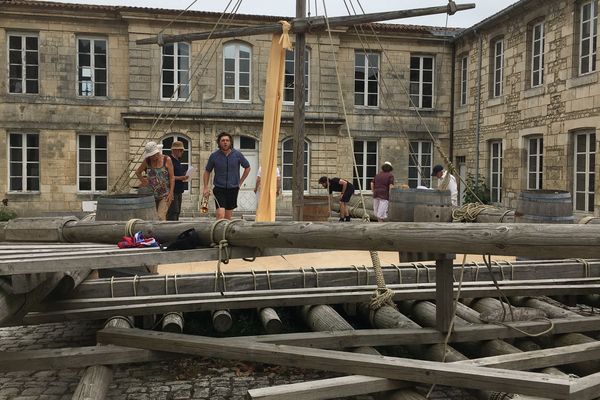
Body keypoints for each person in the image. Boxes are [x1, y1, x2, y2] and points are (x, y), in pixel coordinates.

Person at [203, 132, 251, 220]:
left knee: (228, 217)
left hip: (233, 189)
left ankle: (225, 233)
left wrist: (240, 183)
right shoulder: (214, 156)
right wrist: (205, 187)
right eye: (223, 140)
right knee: (220, 214)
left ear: (230, 142)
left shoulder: (237, 155)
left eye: (227, 140)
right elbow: (207, 171)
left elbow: (247, 167)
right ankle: (217, 233)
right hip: (219, 188)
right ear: (219, 142)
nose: (225, 142)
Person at [135, 141, 174, 221]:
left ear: (157, 153)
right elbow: (138, 172)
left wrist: (171, 193)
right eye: (150, 155)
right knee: (153, 218)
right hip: (151, 195)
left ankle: (163, 233)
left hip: (165, 195)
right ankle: (157, 233)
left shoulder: (167, 160)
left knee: (160, 216)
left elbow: (172, 177)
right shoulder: (147, 161)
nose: (151, 157)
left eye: (152, 155)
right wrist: (143, 181)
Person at [166, 141, 189, 221]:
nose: (182, 152)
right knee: (173, 211)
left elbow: (178, 173)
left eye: (182, 150)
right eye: (180, 150)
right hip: (173, 190)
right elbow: (168, 176)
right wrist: (180, 178)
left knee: (177, 211)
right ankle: (171, 230)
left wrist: (185, 175)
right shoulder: (169, 160)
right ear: (174, 150)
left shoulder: (178, 160)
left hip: (179, 190)